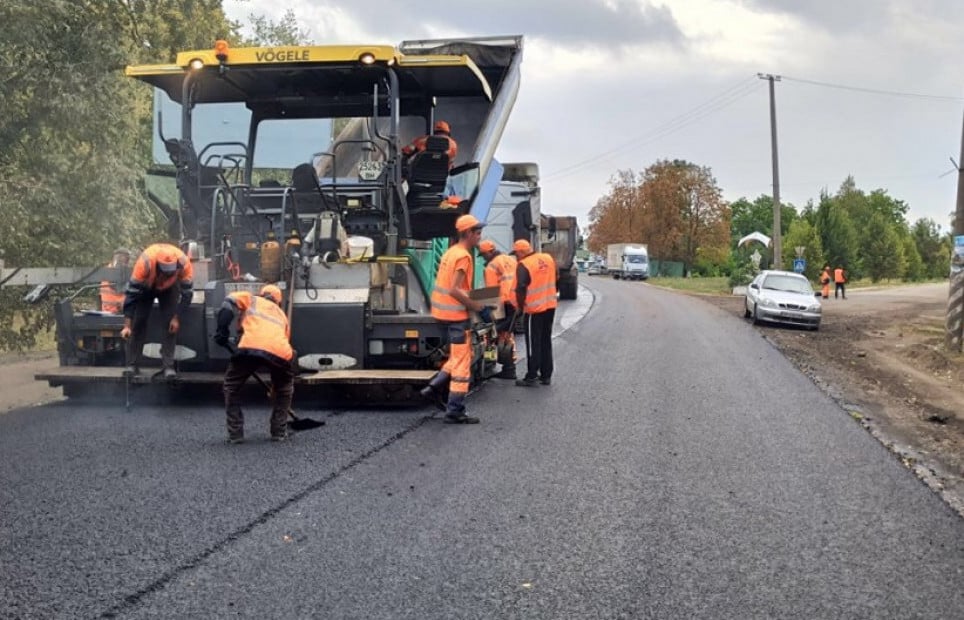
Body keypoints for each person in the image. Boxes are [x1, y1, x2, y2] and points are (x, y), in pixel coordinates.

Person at [420, 214, 493, 424]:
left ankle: (433, 387)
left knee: (460, 355)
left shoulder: (451, 252)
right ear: (467, 233)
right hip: (455, 316)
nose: (479, 237)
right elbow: (455, 290)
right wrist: (480, 308)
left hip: (442, 313)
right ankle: (454, 410)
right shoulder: (463, 256)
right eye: (477, 233)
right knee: (462, 362)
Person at [214, 284, 294, 444]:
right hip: (280, 353)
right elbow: (280, 346)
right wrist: (275, 387)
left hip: (249, 347)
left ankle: (235, 435)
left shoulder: (251, 299)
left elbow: (227, 304)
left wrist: (222, 330)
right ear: (278, 302)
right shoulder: (282, 316)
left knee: (231, 386)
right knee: (285, 389)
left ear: (262, 294)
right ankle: (278, 432)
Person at [120, 243, 193, 379]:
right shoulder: (145, 263)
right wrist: (127, 326)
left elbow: (187, 295)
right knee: (139, 321)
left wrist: (176, 318)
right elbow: (131, 296)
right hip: (147, 286)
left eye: (170, 272)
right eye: (164, 272)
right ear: (158, 266)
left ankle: (168, 366)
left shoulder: (184, 263)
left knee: (170, 324)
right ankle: (132, 364)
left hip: (170, 289)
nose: (167, 275)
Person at [513, 239, 558, 387]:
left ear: (520, 252)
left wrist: (520, 306)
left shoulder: (524, 265)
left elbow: (520, 287)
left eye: (516, 254)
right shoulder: (547, 258)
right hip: (550, 306)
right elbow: (556, 277)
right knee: (545, 340)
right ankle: (546, 375)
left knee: (533, 342)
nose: (516, 257)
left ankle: (531, 376)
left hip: (534, 309)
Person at [479, 239, 518, 380]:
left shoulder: (491, 266)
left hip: (502, 303)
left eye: (483, 255)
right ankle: (509, 367)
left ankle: (508, 368)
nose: (483, 257)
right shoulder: (510, 260)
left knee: (498, 333)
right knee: (507, 334)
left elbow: (491, 293)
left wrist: (483, 308)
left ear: (490, 252)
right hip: (515, 300)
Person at [99, 248, 131, 313]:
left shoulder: (107, 270)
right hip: (115, 311)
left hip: (108, 310)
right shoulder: (115, 272)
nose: (127, 263)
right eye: (126, 260)